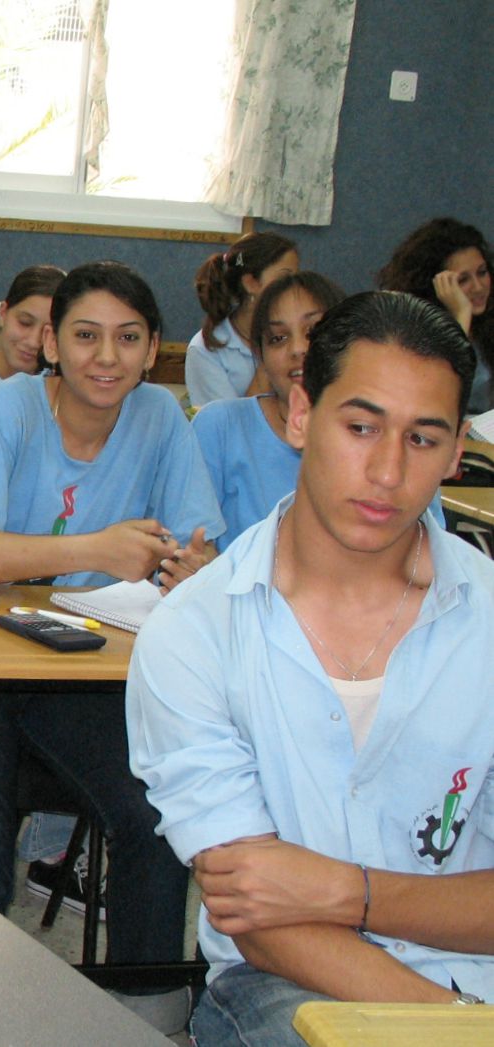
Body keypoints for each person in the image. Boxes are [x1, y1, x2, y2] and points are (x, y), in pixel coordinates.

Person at [128, 291, 494, 1045]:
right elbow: (259, 920)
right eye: (359, 427)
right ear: (299, 415)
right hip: (285, 982)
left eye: (422, 440)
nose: (387, 471)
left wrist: (343, 889)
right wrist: (458, 1028)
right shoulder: (193, 635)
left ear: (459, 449)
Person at [0, 261, 224, 1033]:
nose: (106, 357)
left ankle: (147, 1012)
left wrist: (192, 564)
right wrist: (99, 547)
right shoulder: (10, 410)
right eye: (85, 336)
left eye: (128, 339)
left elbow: (198, 539)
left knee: (152, 814)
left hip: (71, 669)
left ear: (151, 351)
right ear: (52, 343)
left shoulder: (162, 420)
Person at [192, 272, 347, 542]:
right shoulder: (220, 426)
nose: (298, 349)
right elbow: (191, 540)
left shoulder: (384, 434)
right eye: (277, 338)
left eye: (313, 332)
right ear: (260, 356)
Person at [377, 218, 493, 414]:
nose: (478, 287)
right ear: (436, 286)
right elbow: (435, 393)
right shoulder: (410, 335)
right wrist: (460, 315)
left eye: (482, 273)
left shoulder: (487, 324)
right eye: (463, 279)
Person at [186, 232, 299, 408]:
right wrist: (269, 360)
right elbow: (228, 428)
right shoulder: (204, 350)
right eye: (284, 279)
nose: (294, 289)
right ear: (251, 283)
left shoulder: (301, 338)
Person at [0, 264, 62, 409]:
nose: (33, 342)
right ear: (3, 312)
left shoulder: (59, 391)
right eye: (25, 323)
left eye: (48, 332)